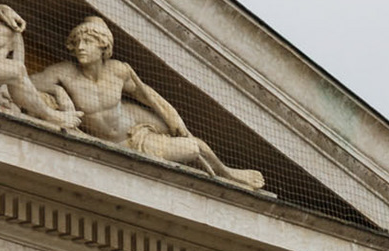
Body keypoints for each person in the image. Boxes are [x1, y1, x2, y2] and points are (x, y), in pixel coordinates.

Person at [32, 15, 265, 188]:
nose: (80, 47)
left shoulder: (118, 71)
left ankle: (229, 173)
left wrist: (175, 121)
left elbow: (149, 97)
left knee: (194, 147)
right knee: (191, 152)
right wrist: (57, 92)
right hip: (110, 145)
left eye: (88, 41)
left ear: (103, 46)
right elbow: (28, 82)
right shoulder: (62, 73)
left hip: (137, 138)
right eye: (77, 42)